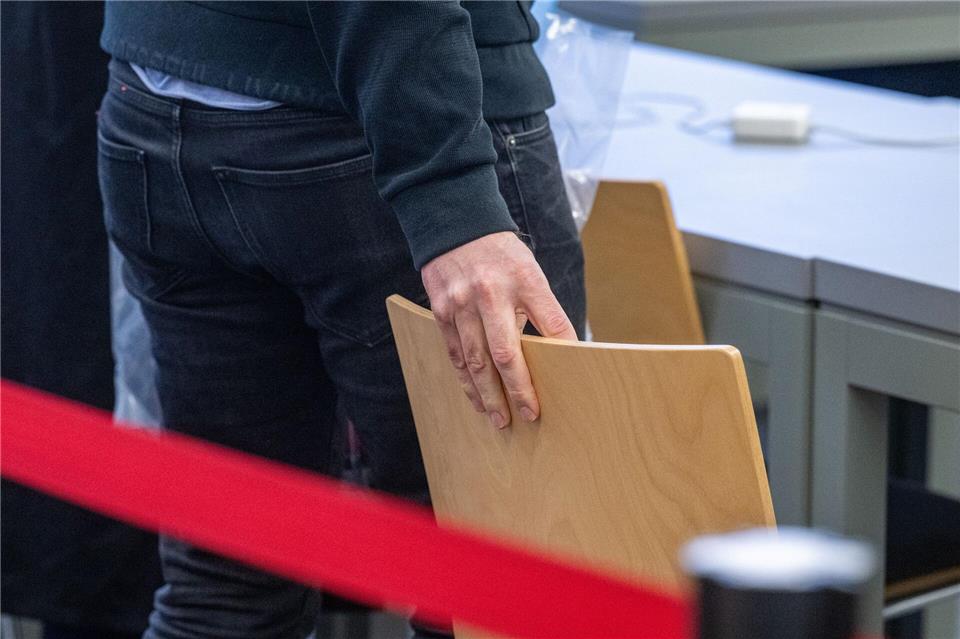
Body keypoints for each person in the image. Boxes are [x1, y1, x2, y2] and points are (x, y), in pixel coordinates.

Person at [97, 2, 585, 637]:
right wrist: (453, 198)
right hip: (380, 127)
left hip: (163, 102)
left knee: (228, 587)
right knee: (505, 588)